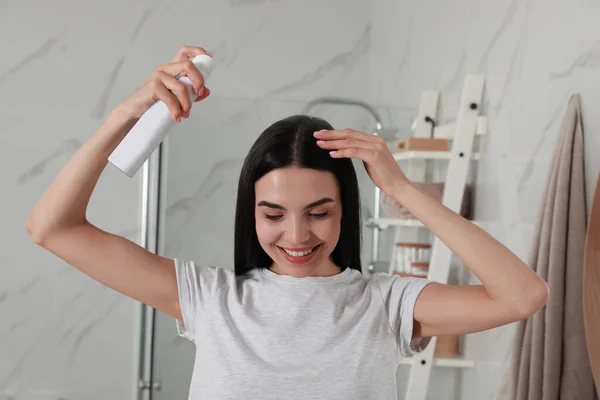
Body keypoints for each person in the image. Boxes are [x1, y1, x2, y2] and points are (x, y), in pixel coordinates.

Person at [25, 46, 549, 399]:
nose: (297, 236)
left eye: (319, 213)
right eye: (273, 214)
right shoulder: (210, 299)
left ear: (346, 210)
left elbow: (522, 295)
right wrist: (128, 112)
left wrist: (404, 189)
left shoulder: (386, 305)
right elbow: (51, 227)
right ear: (249, 213)